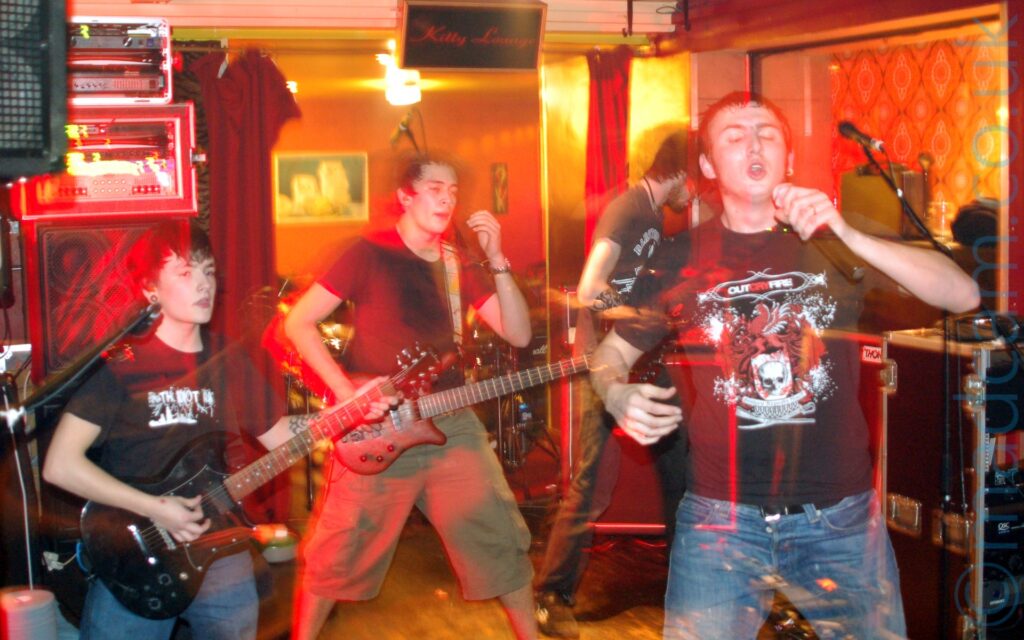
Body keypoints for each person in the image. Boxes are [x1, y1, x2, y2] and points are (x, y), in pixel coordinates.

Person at [588, 91, 980, 639]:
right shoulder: (679, 257)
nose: (753, 143)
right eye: (734, 135)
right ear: (707, 166)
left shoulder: (837, 241)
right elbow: (608, 355)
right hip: (720, 522)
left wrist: (844, 231)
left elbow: (962, 294)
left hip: (839, 520)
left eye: (767, 134)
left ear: (789, 159)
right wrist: (615, 393)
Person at [41, 221, 343, 639]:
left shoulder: (229, 359)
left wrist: (348, 416)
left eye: (209, 271)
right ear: (151, 290)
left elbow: (279, 437)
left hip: (220, 542)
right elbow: (59, 465)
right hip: (137, 548)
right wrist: (153, 508)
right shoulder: (121, 363)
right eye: (185, 273)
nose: (204, 284)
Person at [283, 152, 537, 640]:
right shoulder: (367, 253)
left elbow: (519, 334)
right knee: (338, 548)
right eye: (436, 188)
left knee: (499, 539)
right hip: (378, 426)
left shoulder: (456, 265)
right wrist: (346, 394)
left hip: (451, 423)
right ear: (406, 195)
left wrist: (498, 258)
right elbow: (298, 323)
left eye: (454, 192)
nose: (448, 199)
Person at [534, 132, 692, 638]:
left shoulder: (652, 216)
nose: (696, 197)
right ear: (682, 172)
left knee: (680, 478)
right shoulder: (629, 210)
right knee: (590, 487)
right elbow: (588, 289)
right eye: (696, 182)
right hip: (609, 364)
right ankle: (552, 595)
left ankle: (686, 587)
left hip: (644, 360)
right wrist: (634, 314)